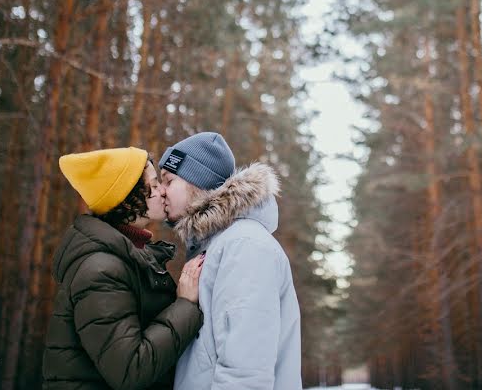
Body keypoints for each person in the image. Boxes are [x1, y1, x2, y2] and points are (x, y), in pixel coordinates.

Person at [42, 146, 205, 390]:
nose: (162, 191)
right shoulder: (100, 271)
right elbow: (130, 369)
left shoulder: (129, 255)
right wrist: (185, 306)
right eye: (153, 184)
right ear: (128, 197)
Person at [156, 132, 301, 389]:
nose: (161, 192)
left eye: (168, 181)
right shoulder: (218, 245)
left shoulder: (244, 246)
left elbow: (245, 372)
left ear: (195, 180)